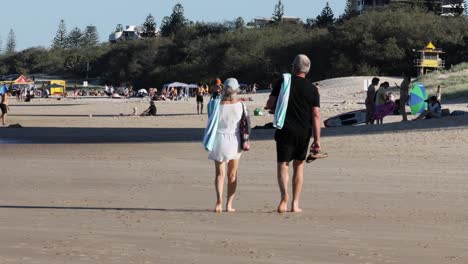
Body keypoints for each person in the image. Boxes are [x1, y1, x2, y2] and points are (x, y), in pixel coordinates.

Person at [264, 54, 321, 213]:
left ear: (293, 67)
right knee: (299, 166)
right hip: (303, 131)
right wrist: (317, 140)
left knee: (283, 164)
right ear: (307, 70)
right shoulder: (313, 89)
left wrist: (271, 108)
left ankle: (284, 197)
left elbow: (270, 103)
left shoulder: (282, 82)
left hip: (285, 129)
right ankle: (295, 204)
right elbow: (316, 115)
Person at [207, 78, 248, 213]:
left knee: (220, 174)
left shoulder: (216, 104)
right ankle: (229, 204)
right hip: (234, 140)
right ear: (236, 90)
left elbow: (210, 118)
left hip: (219, 139)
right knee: (232, 174)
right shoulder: (241, 105)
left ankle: (219, 201)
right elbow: (245, 125)